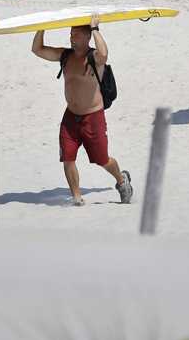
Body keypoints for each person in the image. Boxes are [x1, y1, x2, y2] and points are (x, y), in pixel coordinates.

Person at [31, 14, 133, 206]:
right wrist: (42, 27)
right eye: (71, 34)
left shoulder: (94, 58)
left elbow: (104, 54)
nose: (71, 38)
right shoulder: (65, 56)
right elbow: (37, 49)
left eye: (76, 34)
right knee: (67, 158)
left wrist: (95, 29)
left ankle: (121, 179)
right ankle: (77, 197)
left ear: (87, 37)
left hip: (93, 117)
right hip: (70, 117)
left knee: (102, 159)